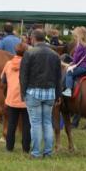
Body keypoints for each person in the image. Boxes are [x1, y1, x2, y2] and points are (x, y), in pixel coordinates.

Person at [20, 29, 62, 159]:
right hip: (50, 93)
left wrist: (23, 92)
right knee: (47, 123)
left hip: (33, 92)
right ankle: (48, 152)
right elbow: (58, 77)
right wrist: (58, 94)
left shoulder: (29, 53)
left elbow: (23, 75)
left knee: (36, 123)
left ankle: (36, 153)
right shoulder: (55, 55)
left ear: (33, 38)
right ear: (45, 38)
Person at [2, 43, 31, 153]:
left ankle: (9, 148)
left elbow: (3, 81)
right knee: (26, 124)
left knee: (11, 123)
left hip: (11, 98)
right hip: (26, 98)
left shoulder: (8, 64)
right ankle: (26, 148)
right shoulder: (28, 64)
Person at [62, 27, 86, 97]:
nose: (74, 38)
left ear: (78, 36)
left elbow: (76, 59)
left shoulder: (80, 46)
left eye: (75, 36)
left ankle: (68, 90)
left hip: (84, 66)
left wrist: (72, 64)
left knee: (69, 73)